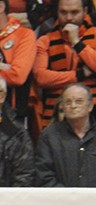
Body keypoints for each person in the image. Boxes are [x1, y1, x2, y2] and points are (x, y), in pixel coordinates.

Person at [32, 0, 96, 136]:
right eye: (63, 12)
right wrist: (79, 75)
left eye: (74, 12)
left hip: (92, 110)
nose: (68, 18)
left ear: (85, 11)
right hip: (55, 111)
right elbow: (41, 77)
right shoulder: (46, 39)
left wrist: (77, 43)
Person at [36, 83, 96, 186]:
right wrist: (68, 197)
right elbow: (43, 174)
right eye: (68, 102)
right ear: (62, 106)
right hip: (60, 200)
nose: (73, 106)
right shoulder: (49, 136)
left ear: (90, 106)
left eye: (79, 101)